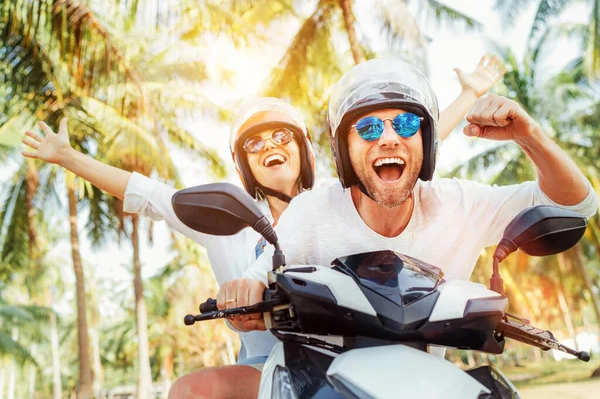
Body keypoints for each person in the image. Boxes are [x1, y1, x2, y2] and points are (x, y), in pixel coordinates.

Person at [21, 56, 507, 399]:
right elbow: (148, 195)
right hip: (274, 373)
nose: (270, 146)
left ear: (308, 151)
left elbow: (406, 142)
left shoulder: (344, 204)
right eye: (254, 144)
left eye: (282, 136)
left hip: (367, 357)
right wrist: (67, 156)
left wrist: (468, 94)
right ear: (244, 167)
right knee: (193, 391)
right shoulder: (226, 221)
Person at [214, 57, 598, 359]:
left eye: (407, 123)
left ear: (426, 141)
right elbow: (261, 270)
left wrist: (529, 136)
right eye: (367, 129)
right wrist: (246, 289)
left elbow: (577, 204)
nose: (389, 138)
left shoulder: (457, 205)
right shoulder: (310, 212)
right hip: (320, 381)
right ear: (343, 152)